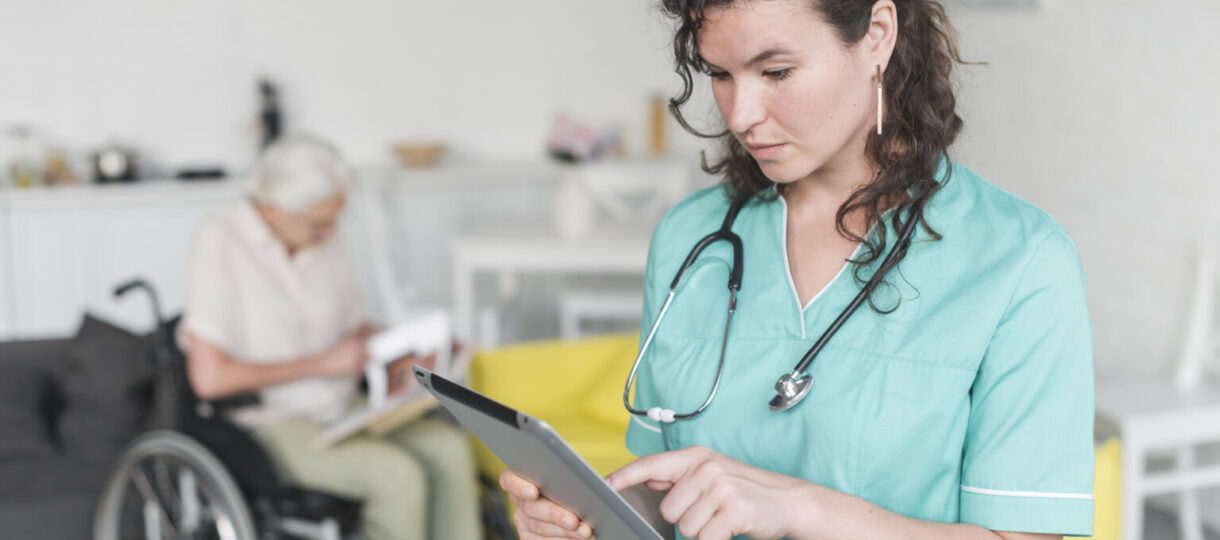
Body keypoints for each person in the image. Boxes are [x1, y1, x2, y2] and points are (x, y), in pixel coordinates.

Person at [501, 1, 1094, 539]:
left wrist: (802, 509)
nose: (740, 114)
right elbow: (664, 503)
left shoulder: (1022, 261)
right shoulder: (690, 239)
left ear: (876, 37)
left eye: (776, 72)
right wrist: (586, 523)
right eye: (720, 74)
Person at [181, 136, 481, 540]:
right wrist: (322, 363)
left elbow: (354, 330)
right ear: (271, 210)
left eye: (335, 219)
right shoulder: (220, 239)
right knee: (397, 475)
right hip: (272, 421)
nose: (330, 232)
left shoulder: (325, 235)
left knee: (449, 449)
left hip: (343, 406)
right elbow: (209, 378)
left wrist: (418, 347)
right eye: (318, 223)